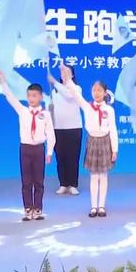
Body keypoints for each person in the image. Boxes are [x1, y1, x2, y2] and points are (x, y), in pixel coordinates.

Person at [59, 64, 118, 218]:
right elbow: (75, 92)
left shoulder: (109, 110)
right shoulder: (87, 107)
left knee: (103, 175)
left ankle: (101, 206)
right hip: (92, 141)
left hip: (105, 142)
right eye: (94, 90)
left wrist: (115, 149)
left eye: (99, 90)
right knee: (93, 176)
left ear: (105, 93)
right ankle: (93, 206)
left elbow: (113, 129)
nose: (96, 93)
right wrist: (67, 77)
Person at [0, 71, 56, 221]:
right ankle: (28, 208)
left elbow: (50, 133)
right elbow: (10, 97)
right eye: (29, 96)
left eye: (34, 96)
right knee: (26, 181)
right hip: (25, 149)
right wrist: (3, 81)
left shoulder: (46, 114)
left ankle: (38, 208)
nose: (31, 99)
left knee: (39, 181)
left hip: (39, 149)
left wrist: (49, 151)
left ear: (41, 97)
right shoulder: (22, 110)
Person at [47, 67, 83, 196]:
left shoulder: (77, 89)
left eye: (67, 72)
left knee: (73, 158)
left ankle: (73, 185)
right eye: (62, 72)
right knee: (60, 158)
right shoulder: (55, 91)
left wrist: (54, 82)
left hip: (74, 128)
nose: (64, 74)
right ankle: (63, 184)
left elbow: (69, 95)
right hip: (58, 128)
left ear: (72, 75)